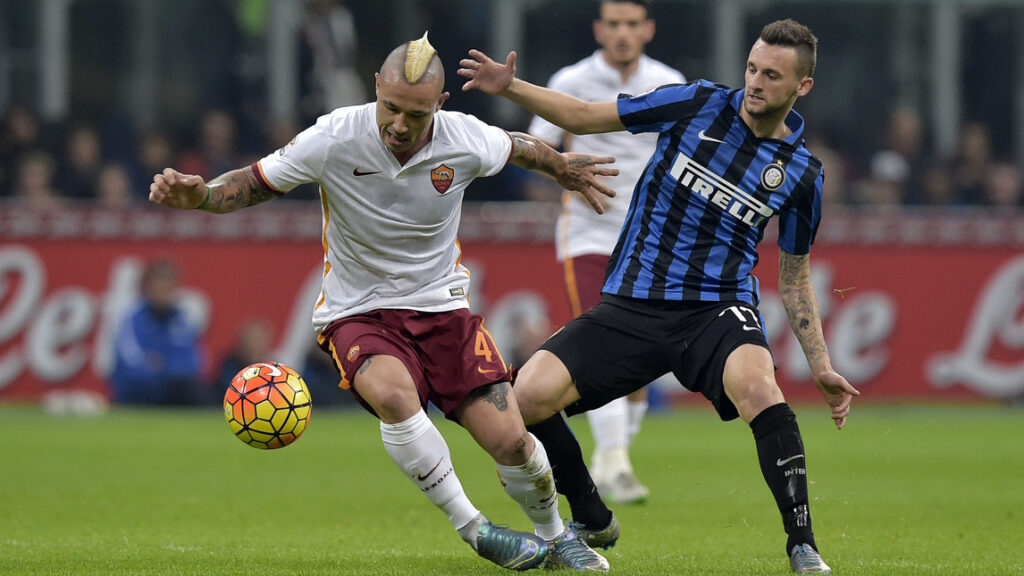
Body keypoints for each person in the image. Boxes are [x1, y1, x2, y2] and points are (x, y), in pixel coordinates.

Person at [149, 33, 613, 572]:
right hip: (358, 312)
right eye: (390, 107)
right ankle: (476, 529)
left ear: (440, 104)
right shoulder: (333, 137)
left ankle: (555, 537)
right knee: (394, 396)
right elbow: (253, 183)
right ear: (376, 88)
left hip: (443, 310)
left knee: (511, 442)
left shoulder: (464, 138)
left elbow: (518, 145)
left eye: (416, 114)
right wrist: (202, 196)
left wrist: (561, 167)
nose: (398, 124)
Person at [460, 18, 860, 574]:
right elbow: (584, 115)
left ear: (802, 86)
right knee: (524, 398)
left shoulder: (801, 174)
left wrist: (820, 364)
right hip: (634, 302)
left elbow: (793, 276)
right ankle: (592, 514)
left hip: (717, 310)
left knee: (758, 386)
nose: (755, 82)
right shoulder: (697, 103)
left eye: (772, 75)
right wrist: (511, 88)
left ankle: (803, 546)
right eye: (751, 69)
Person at [528, 0, 685, 508]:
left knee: (641, 353)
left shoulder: (670, 81)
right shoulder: (571, 80)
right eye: (614, 24)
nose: (622, 33)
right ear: (599, 29)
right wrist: (562, 171)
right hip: (589, 234)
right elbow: (536, 145)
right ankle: (616, 463)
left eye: (631, 24)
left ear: (648, 29)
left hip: (650, 237)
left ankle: (611, 459)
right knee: (601, 341)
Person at [110, 259, 205, 405]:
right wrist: (167, 370)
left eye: (168, 287)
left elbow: (192, 364)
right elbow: (131, 366)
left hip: (173, 391)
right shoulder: (133, 320)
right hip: (137, 394)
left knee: (195, 390)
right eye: (159, 286)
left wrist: (161, 366)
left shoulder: (181, 321)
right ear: (148, 288)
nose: (163, 293)